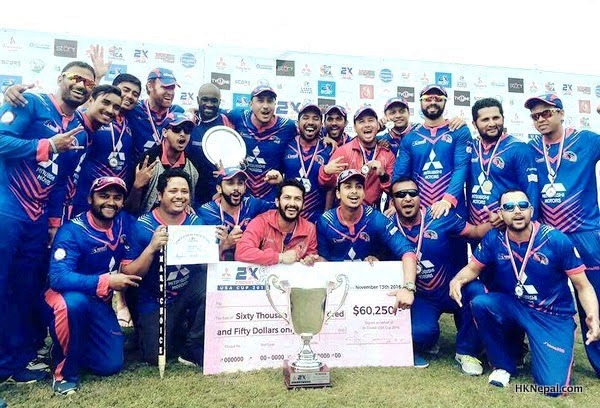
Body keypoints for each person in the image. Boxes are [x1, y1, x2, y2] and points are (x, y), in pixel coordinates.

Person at [449, 189, 600, 396]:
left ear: (531, 210)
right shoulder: (494, 238)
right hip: (516, 306)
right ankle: (503, 365)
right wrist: (456, 280)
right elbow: (473, 269)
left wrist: (593, 316)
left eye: (522, 206)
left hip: (551, 315)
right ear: (501, 214)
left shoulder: (555, 240)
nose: (517, 211)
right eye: (509, 207)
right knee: (481, 303)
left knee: (553, 388)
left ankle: (555, 352)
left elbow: (583, 286)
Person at [0, 61, 95, 384]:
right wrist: (48, 145)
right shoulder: (31, 102)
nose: (81, 85)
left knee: (23, 291)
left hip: (37, 219)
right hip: (7, 209)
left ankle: (12, 363)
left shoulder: (78, 125)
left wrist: (54, 222)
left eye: (89, 83)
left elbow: (61, 179)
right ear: (60, 78)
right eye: (76, 78)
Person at [525, 93, 600, 377]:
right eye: (535, 116)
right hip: (549, 237)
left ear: (561, 113)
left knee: (594, 298)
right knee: (547, 297)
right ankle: (552, 352)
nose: (540, 119)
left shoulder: (586, 140)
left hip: (585, 234)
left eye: (546, 113)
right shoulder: (531, 147)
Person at [45, 177, 141, 395]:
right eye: (104, 196)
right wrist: (107, 281)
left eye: (117, 197)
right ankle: (64, 375)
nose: (111, 202)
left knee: (109, 365)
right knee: (74, 304)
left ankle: (73, 345)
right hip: (64, 297)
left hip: (98, 301)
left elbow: (145, 231)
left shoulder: (125, 222)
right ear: (90, 198)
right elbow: (58, 278)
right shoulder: (72, 231)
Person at [388, 177, 493, 372]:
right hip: (422, 296)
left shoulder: (439, 217)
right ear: (392, 202)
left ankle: (465, 351)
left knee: (478, 291)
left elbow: (475, 232)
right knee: (422, 334)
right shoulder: (388, 226)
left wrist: (496, 222)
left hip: (451, 288)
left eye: (412, 193)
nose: (407, 198)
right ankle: (430, 339)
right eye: (400, 195)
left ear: (420, 197)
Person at [316, 169, 419, 339]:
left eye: (359, 187)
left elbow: (407, 251)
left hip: (368, 292)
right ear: (338, 193)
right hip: (338, 292)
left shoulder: (376, 219)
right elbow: (323, 259)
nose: (354, 191)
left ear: (364, 193)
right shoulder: (325, 221)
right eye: (348, 187)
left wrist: (408, 288)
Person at [122, 168, 206, 367]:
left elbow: (205, 266)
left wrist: (220, 246)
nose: (180, 196)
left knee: (208, 284)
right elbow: (128, 273)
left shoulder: (196, 223)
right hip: (154, 300)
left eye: (184, 192)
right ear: (160, 195)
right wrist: (151, 248)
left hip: (183, 294)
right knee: (154, 356)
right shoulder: (142, 226)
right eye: (173, 191)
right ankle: (158, 330)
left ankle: (192, 345)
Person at [467, 98, 539, 227]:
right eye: (485, 120)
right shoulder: (470, 148)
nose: (492, 123)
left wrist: (518, 221)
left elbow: (531, 192)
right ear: (474, 124)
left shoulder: (518, 148)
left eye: (496, 118)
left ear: (503, 119)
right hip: (475, 228)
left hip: (506, 227)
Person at [69, 85, 133, 216]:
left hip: (72, 201)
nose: (110, 110)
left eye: (116, 107)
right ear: (90, 101)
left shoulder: (90, 131)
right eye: (105, 102)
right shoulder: (74, 124)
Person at [226, 85, 297, 202]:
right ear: (251, 104)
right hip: (242, 195)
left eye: (270, 101)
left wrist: (326, 138)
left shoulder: (287, 126)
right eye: (260, 101)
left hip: (270, 197)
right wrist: (194, 112)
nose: (265, 106)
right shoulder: (239, 116)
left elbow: (308, 133)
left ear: (275, 104)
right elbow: (215, 112)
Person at [318, 106, 395, 208]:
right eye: (361, 121)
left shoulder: (387, 154)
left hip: (372, 212)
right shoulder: (343, 151)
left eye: (371, 120)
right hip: (346, 211)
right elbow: (328, 185)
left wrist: (383, 175)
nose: (367, 125)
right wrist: (325, 172)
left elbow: (391, 190)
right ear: (354, 128)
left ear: (378, 125)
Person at [126, 113, 199, 215]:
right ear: (165, 132)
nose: (182, 134)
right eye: (177, 129)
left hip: (179, 221)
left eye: (187, 130)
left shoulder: (194, 163)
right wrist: (137, 187)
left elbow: (198, 201)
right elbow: (130, 210)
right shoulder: (147, 161)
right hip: (147, 220)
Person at [235, 178, 319, 265]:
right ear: (277, 202)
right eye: (287, 198)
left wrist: (309, 260)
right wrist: (280, 257)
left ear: (303, 205)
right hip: (265, 273)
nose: (292, 203)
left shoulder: (309, 229)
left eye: (297, 199)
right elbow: (241, 252)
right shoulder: (261, 222)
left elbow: (312, 257)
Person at [197, 166, 272, 260]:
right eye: (230, 183)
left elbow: (281, 208)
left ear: (245, 187)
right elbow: (199, 255)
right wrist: (226, 244)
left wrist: (280, 183)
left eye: (240, 183)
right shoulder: (206, 212)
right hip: (219, 266)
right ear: (219, 188)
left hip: (249, 264)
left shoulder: (252, 204)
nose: (236, 188)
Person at [282, 103, 334, 223]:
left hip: (316, 216)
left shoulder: (328, 149)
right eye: (305, 117)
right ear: (298, 123)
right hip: (289, 212)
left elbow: (331, 187)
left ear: (321, 124)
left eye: (315, 118)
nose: (310, 122)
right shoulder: (287, 145)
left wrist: (325, 217)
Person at [186, 83, 234, 205]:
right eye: (205, 99)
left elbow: (234, 156)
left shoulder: (227, 123)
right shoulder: (188, 122)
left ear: (219, 102)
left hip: (217, 192)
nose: (209, 104)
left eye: (214, 101)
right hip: (192, 191)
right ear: (198, 100)